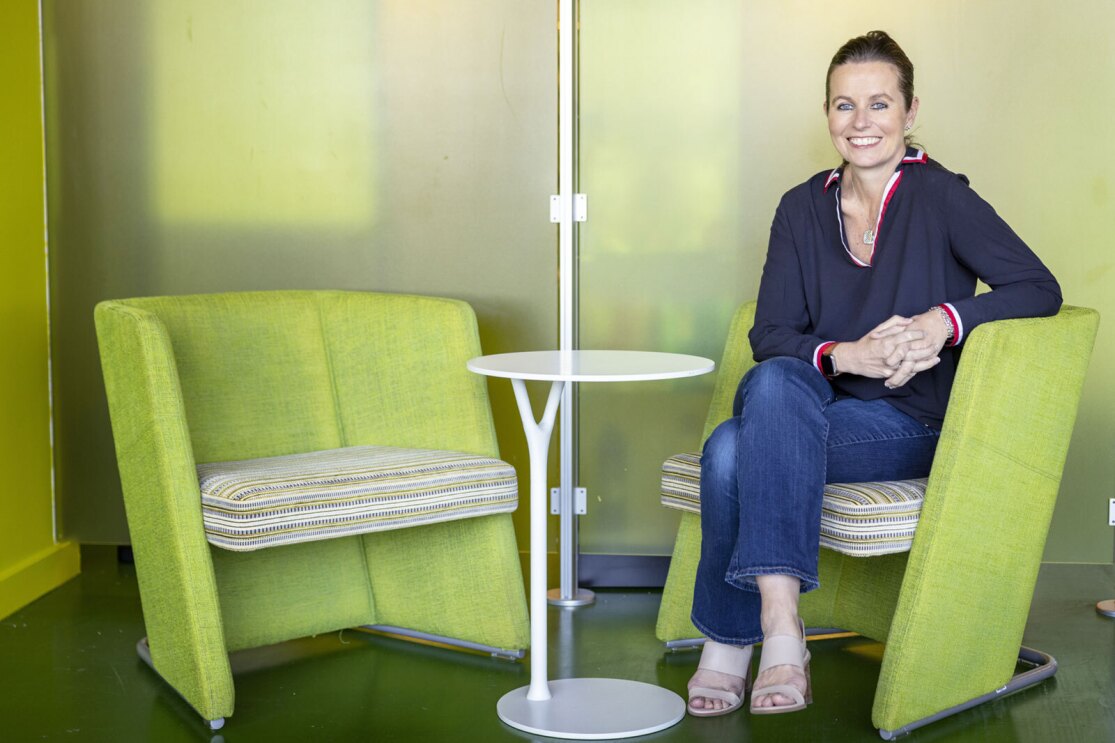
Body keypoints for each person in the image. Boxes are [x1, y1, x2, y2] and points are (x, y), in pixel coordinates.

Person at [686, 30, 1061, 717]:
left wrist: (942, 322)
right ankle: (780, 625)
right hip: (810, 403)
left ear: (910, 111)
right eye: (843, 105)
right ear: (826, 114)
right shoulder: (799, 208)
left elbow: (1037, 287)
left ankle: (733, 640)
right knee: (769, 389)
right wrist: (844, 354)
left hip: (905, 420)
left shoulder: (941, 197)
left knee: (730, 446)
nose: (860, 123)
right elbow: (769, 334)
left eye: (878, 104)